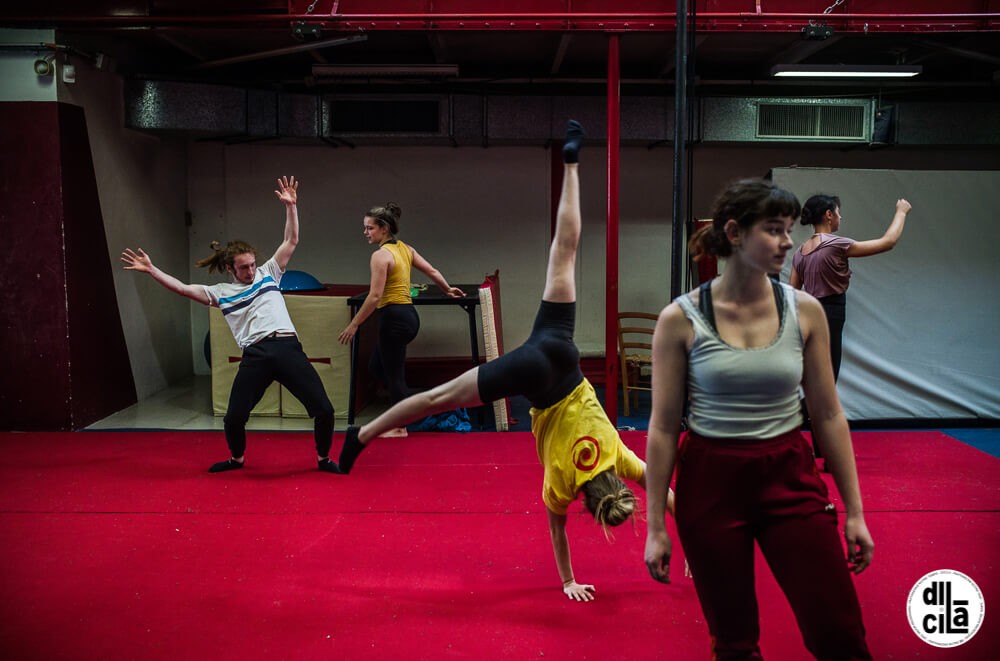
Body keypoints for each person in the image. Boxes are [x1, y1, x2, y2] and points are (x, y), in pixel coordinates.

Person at [334, 121, 673, 601]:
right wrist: (570, 582)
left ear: (617, 483)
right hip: (534, 376)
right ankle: (363, 435)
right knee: (435, 398)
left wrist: (679, 532)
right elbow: (557, 532)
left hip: (559, 350)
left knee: (566, 252)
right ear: (588, 502)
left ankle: (572, 163)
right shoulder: (563, 487)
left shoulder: (622, 457)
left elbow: (669, 496)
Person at [644, 178, 874, 660]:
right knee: (733, 641)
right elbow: (664, 427)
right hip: (709, 482)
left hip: (788, 472)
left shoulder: (805, 312)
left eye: (789, 230)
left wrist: (854, 511)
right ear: (734, 233)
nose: (788, 242)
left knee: (839, 632)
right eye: (774, 230)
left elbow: (829, 414)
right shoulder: (679, 319)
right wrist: (655, 527)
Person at [122, 176, 339, 474]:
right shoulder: (220, 294)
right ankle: (237, 459)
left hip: (288, 348)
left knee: (324, 410)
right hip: (256, 355)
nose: (250, 271)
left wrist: (291, 207)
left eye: (252, 264)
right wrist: (152, 269)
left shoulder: (269, 273)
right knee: (233, 417)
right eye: (243, 267)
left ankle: (324, 459)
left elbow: (291, 240)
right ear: (229, 268)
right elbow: (182, 288)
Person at [337, 202, 465, 437]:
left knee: (394, 376)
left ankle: (400, 426)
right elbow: (433, 271)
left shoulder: (380, 256)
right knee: (377, 366)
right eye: (365, 228)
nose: (365, 232)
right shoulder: (406, 248)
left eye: (369, 228)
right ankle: (410, 404)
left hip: (394, 318)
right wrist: (447, 289)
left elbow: (375, 296)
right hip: (408, 318)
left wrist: (354, 324)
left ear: (383, 228)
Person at [790, 194, 911, 381]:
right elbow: (888, 242)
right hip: (831, 313)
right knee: (828, 377)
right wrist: (901, 212)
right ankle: (809, 411)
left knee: (816, 374)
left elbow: (793, 293)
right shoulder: (835, 244)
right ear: (829, 215)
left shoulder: (800, 252)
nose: (841, 217)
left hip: (808, 316)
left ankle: (809, 409)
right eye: (838, 213)